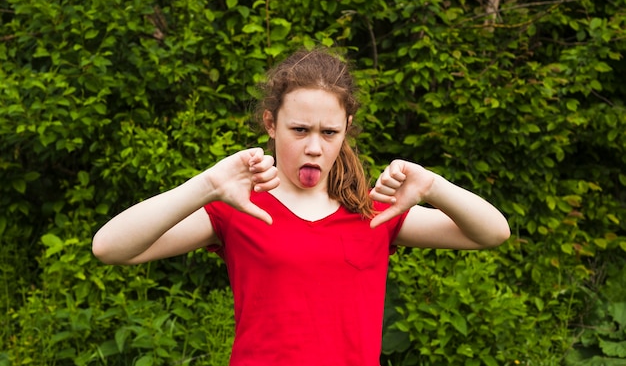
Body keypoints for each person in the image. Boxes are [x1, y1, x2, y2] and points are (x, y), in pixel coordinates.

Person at [92, 47, 510, 366]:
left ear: (347, 129)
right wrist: (208, 185)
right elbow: (110, 248)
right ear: (271, 124)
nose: (313, 147)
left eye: (329, 132)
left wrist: (433, 186)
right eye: (299, 130)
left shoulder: (374, 211)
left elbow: (493, 233)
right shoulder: (240, 207)